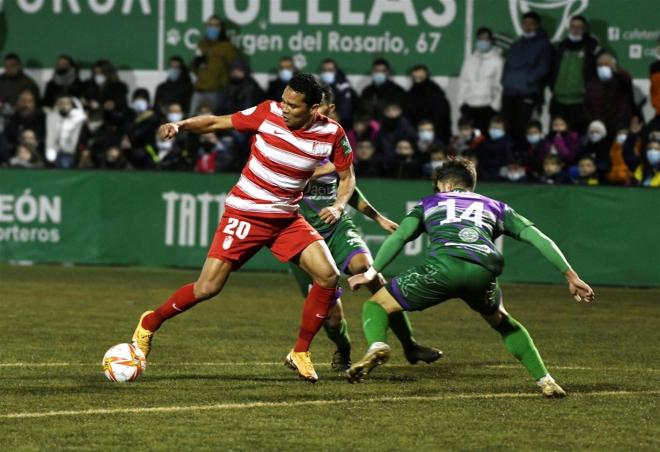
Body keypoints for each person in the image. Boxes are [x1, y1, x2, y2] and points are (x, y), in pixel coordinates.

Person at [130, 74, 356, 383]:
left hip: (286, 218)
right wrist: (181, 126)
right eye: (284, 101)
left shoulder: (332, 133)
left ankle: (300, 351)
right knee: (207, 288)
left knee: (328, 275)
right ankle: (149, 323)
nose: (285, 108)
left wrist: (339, 205)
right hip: (246, 213)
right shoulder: (267, 112)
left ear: (314, 108)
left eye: (293, 105)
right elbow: (215, 123)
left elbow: (347, 177)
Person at [345, 158, 595, 398]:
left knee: (376, 304)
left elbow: (400, 237)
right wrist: (571, 276)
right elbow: (538, 238)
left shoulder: (430, 202)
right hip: (482, 274)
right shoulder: (498, 207)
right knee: (505, 323)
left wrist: (370, 273)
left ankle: (378, 345)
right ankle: (545, 380)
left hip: (442, 270)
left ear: (448, 185)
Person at [288, 87, 441, 371]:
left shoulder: (334, 138)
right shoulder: (288, 136)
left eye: (316, 107)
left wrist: (378, 219)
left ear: (329, 108)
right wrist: (328, 168)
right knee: (332, 319)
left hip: (337, 228)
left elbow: (348, 185)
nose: (309, 112)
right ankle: (342, 349)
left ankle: (410, 346)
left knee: (369, 270)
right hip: (300, 237)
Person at [501, 12, 553, 144]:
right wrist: (506, 81)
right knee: (506, 127)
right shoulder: (517, 44)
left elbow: (543, 68)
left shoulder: (544, 45)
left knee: (523, 129)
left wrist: (526, 80)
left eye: (531, 24)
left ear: (537, 25)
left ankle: (522, 159)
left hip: (528, 93)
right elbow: (507, 66)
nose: (528, 26)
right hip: (509, 92)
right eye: (525, 23)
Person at [550, 15, 600, 135]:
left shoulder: (592, 46)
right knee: (556, 136)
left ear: (585, 29)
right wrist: (552, 86)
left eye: (579, 27)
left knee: (575, 136)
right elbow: (551, 69)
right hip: (558, 100)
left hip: (579, 102)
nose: (576, 29)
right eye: (573, 26)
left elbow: (597, 70)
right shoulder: (560, 46)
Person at [189, 14, 238, 115]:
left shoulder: (227, 47)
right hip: (199, 89)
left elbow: (233, 67)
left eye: (216, 26)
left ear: (221, 28)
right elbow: (194, 67)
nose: (212, 28)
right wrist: (196, 64)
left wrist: (223, 82)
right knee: (191, 121)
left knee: (214, 121)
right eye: (210, 25)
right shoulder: (202, 44)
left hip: (216, 91)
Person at [457, 27, 504, 134]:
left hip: (486, 108)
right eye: (480, 39)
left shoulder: (498, 61)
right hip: (469, 106)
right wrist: (461, 103)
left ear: (491, 41)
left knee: (482, 139)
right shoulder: (470, 59)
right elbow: (463, 82)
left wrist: (494, 107)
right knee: (470, 139)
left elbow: (500, 85)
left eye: (485, 39)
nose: (482, 42)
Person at [585, 52, 636, 134]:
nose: (603, 67)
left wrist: (616, 70)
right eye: (600, 65)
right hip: (600, 123)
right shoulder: (592, 83)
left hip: (619, 123)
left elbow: (628, 79)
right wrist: (594, 121)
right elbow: (587, 105)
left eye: (606, 64)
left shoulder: (621, 80)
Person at [403, 65, 451, 143]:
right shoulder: (410, 95)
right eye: (415, 76)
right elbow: (407, 116)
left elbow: (441, 117)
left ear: (426, 75)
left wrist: (428, 130)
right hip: (416, 137)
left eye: (420, 75)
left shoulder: (436, 93)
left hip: (437, 137)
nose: (418, 78)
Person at [44, 95, 87, 168]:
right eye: (61, 103)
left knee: (64, 162)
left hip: (73, 152)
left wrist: (82, 150)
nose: (64, 106)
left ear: (71, 105)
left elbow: (83, 139)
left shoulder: (79, 119)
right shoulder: (51, 118)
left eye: (67, 103)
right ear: (57, 105)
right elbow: (49, 138)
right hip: (55, 151)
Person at [318, 58, 355, 129]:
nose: (327, 73)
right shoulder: (317, 86)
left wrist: (337, 115)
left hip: (341, 125)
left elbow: (345, 112)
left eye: (330, 70)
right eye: (324, 70)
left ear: (335, 71)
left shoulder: (343, 87)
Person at [475, 115, 514, 181]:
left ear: (504, 129)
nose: (495, 130)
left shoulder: (509, 143)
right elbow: (481, 158)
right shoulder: (483, 142)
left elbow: (508, 160)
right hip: (485, 174)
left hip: (502, 176)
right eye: (493, 127)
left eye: (498, 128)